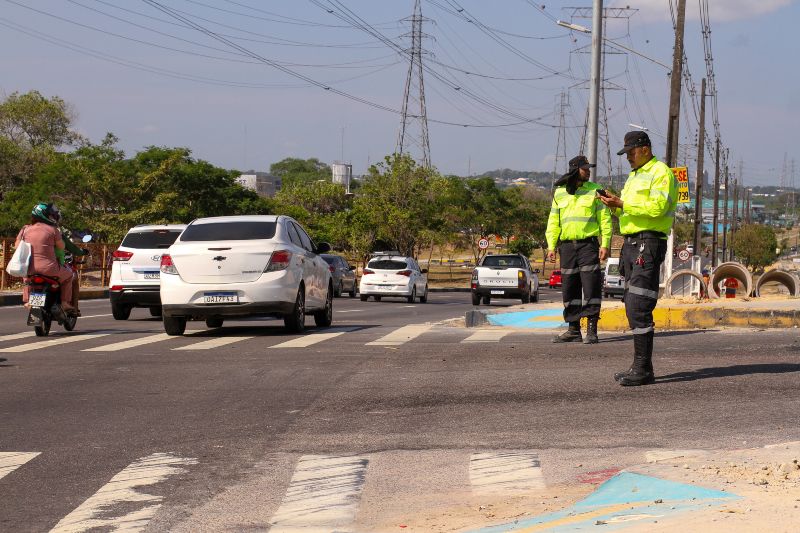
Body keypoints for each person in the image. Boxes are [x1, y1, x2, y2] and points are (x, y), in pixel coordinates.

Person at [598, 131, 678, 386]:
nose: (628, 158)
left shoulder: (661, 173)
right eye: (627, 154)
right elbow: (629, 210)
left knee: (639, 305)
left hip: (649, 242)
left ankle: (643, 368)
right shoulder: (635, 176)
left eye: (631, 152)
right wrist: (613, 204)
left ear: (645, 149)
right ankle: (640, 365)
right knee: (631, 304)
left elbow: (657, 208)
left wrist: (622, 203)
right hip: (631, 244)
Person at [546, 155, 612, 344]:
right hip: (566, 247)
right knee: (569, 287)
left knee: (591, 286)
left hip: (588, 246)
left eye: (589, 168)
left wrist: (605, 243)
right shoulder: (559, 193)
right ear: (575, 169)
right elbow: (553, 222)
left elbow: (605, 219)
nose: (588, 171)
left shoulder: (595, 191)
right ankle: (573, 329)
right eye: (585, 168)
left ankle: (592, 329)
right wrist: (551, 245)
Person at [15, 203, 76, 315]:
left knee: (27, 281)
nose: (52, 218)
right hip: (49, 269)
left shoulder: (25, 229)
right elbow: (61, 246)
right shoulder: (53, 230)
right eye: (50, 216)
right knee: (69, 276)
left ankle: (28, 301)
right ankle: (64, 303)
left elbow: (17, 246)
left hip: (29, 269)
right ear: (44, 215)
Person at [52, 209, 89, 316]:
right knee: (72, 278)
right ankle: (69, 305)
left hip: (33, 266)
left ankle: (27, 301)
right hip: (55, 265)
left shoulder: (27, 229)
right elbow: (70, 247)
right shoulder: (57, 231)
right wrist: (81, 252)